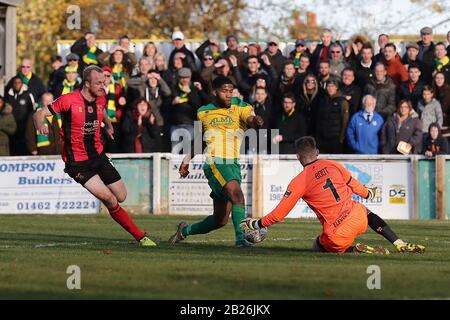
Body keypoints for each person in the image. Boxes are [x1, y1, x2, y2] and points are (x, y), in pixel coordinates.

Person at [33, 65, 156, 247]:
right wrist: (40, 124)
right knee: (109, 199)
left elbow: (102, 110)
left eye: (104, 82)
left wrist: (107, 124)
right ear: (87, 83)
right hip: (78, 163)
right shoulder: (69, 100)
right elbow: (40, 113)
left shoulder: (100, 99)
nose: (103, 86)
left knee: (121, 196)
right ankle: (140, 236)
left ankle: (136, 232)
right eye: (99, 83)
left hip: (98, 156)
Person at [240, 136, 425, 254]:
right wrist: (368, 193)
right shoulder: (333, 164)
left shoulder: (299, 181)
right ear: (317, 152)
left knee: (318, 246)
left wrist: (255, 223)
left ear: (298, 157)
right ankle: (399, 243)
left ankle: (354, 250)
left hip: (337, 234)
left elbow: (279, 215)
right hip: (358, 218)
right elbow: (357, 188)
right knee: (364, 210)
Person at [168, 76, 264, 248]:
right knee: (237, 196)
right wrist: (187, 158)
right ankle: (242, 240)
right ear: (215, 91)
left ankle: (184, 231)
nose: (228, 94)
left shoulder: (241, 106)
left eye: (230, 91)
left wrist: (255, 122)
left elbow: (250, 119)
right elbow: (200, 140)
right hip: (215, 162)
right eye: (224, 91)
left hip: (233, 163)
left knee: (220, 220)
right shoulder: (203, 112)